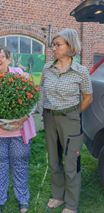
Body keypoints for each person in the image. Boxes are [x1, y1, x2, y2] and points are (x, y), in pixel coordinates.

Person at [39, 28, 93, 213]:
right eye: (53, 45)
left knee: (71, 164)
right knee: (54, 161)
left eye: (58, 45)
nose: (54, 48)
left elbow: (88, 97)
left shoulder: (81, 72)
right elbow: (42, 91)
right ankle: (57, 195)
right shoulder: (47, 68)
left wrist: (74, 113)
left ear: (70, 46)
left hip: (70, 119)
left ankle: (71, 204)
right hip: (50, 118)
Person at [0, 47, 37, 213]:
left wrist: (23, 117)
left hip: (18, 132)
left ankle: (23, 199)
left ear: (8, 59)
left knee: (20, 164)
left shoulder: (19, 74)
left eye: (0, 57)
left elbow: (31, 100)